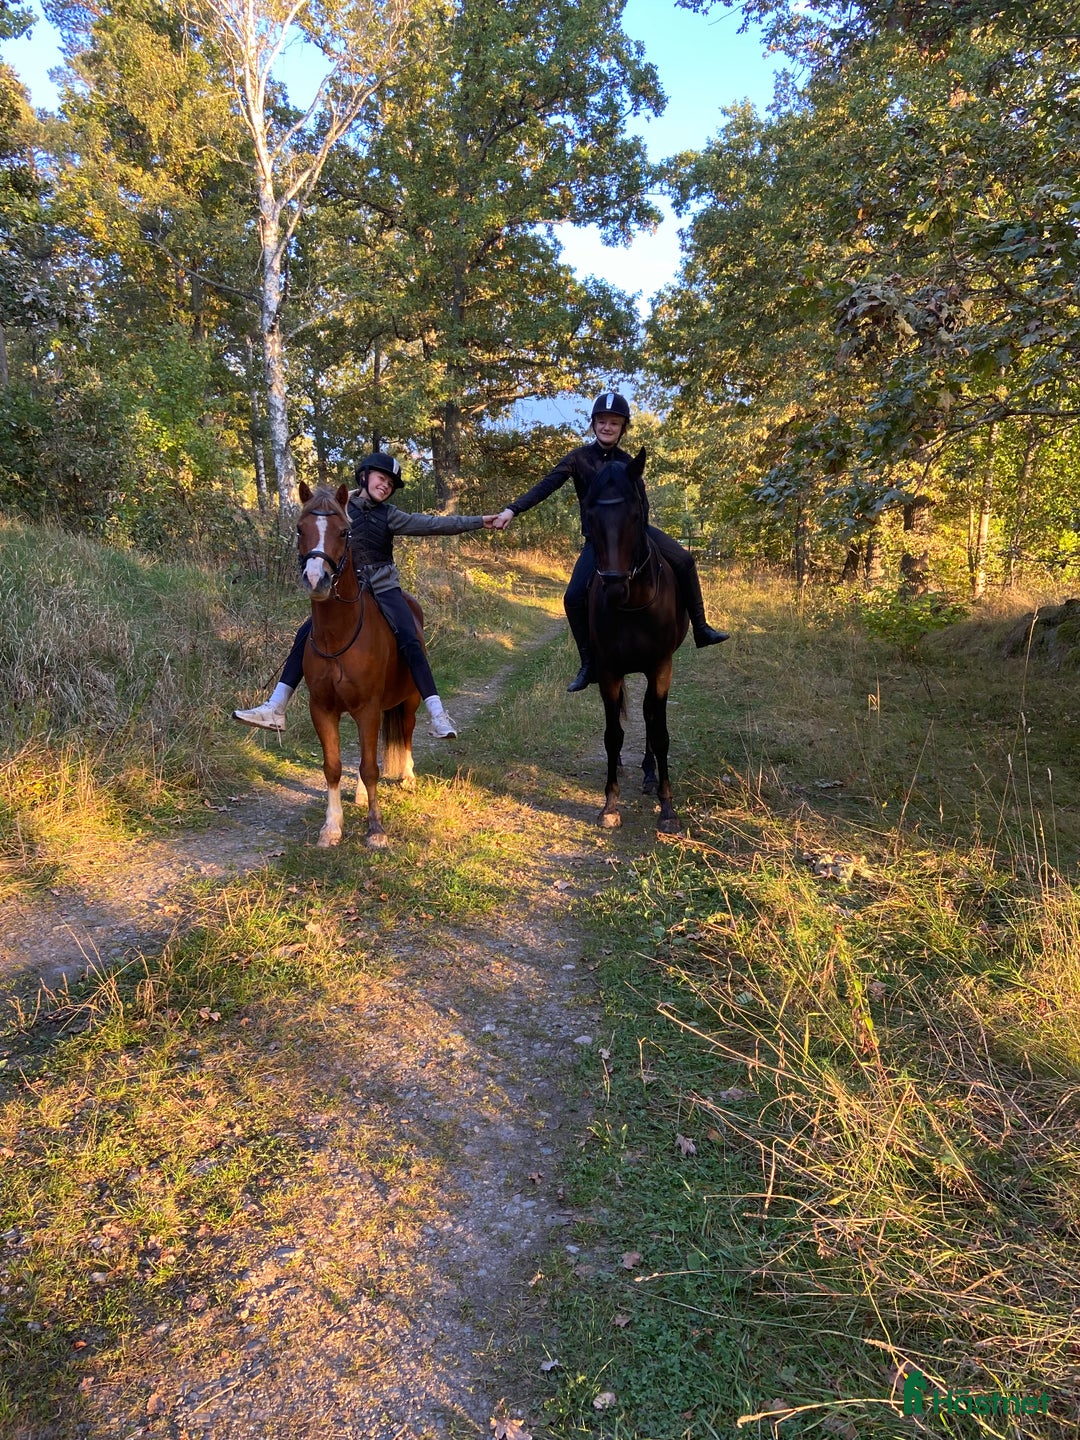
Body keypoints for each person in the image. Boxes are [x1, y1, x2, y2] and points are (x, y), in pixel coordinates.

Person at [234, 451, 498, 739]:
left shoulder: (391, 515)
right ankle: (276, 706)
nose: (385, 486)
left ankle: (436, 713)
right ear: (364, 476)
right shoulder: (339, 508)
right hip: (348, 592)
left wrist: (479, 521)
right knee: (305, 634)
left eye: (391, 485)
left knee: (410, 638)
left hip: (384, 589)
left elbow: (432, 524)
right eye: (382, 479)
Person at [491, 392, 728, 691]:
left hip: (635, 535)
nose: (607, 427)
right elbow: (546, 486)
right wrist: (512, 509)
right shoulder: (578, 459)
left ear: (623, 428)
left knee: (685, 560)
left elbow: (643, 506)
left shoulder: (629, 463)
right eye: (602, 421)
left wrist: (638, 538)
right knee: (573, 597)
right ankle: (588, 661)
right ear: (593, 424)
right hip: (597, 542)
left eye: (614, 423)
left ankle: (701, 628)